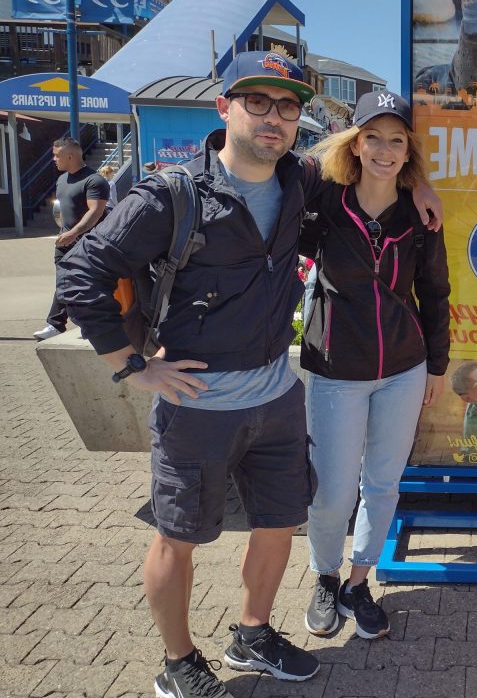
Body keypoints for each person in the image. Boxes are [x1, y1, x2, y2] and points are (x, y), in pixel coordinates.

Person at [57, 52, 443, 698]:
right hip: (196, 407)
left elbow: (371, 174)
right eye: (257, 102)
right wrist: (130, 365)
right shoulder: (171, 194)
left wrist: (419, 185)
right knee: (177, 540)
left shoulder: (299, 182)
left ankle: (252, 632)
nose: (273, 117)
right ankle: (178, 663)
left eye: (287, 106)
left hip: (277, 398)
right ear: (224, 108)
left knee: (276, 524)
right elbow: (82, 271)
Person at [300, 90, 451, 641]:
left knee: (382, 483)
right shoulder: (321, 202)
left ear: (408, 150)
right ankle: (324, 575)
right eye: (373, 138)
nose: (384, 150)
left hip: (404, 368)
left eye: (396, 140)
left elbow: (436, 292)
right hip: (337, 369)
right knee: (332, 490)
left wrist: (437, 365)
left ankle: (357, 582)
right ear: (355, 143)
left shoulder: (420, 215)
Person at [34, 137, 110, 341]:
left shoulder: (94, 180)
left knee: (85, 284)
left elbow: (95, 211)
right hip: (65, 242)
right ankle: (55, 324)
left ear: (70, 156)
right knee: (64, 281)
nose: (54, 159)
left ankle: (67, 324)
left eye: (57, 155)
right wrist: (64, 233)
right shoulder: (61, 180)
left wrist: (74, 233)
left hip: (89, 243)